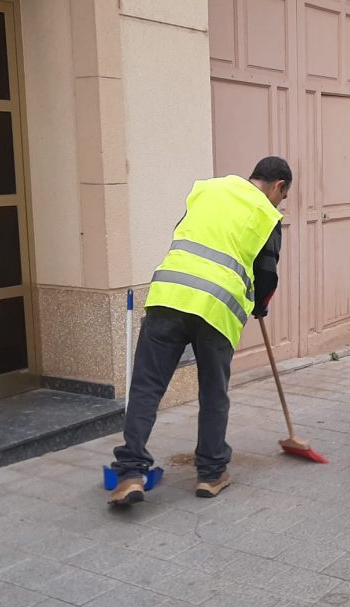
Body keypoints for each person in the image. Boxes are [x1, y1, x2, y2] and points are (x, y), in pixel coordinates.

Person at [108, 157, 291, 506]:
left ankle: (131, 472)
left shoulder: (208, 190)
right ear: (279, 186)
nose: (280, 203)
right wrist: (260, 306)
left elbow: (185, 232)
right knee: (212, 391)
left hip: (169, 294)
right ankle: (210, 473)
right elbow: (266, 274)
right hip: (216, 308)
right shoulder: (267, 215)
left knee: (147, 386)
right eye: (283, 196)